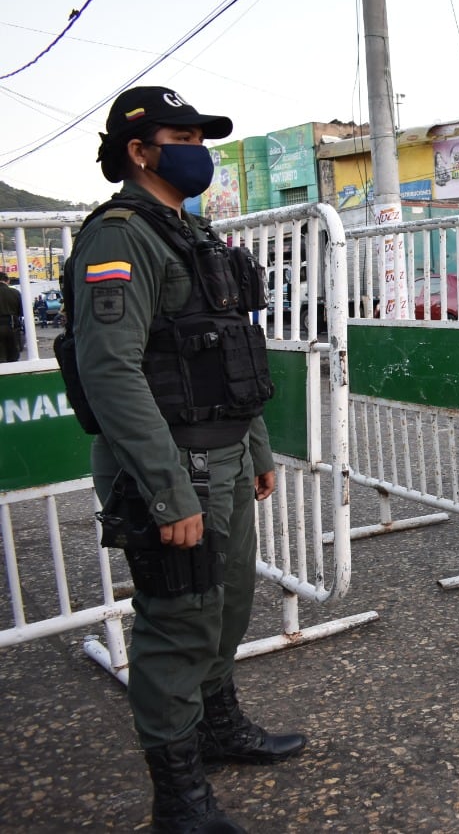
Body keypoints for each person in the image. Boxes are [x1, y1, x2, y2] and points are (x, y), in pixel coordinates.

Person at [66, 86, 304, 832]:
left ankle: (217, 728)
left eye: (201, 138)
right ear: (139, 152)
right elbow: (111, 372)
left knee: (226, 607)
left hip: (224, 455)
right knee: (178, 624)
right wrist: (168, 491)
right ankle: (179, 800)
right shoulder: (119, 237)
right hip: (173, 466)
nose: (198, 151)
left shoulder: (190, 233)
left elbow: (231, 350)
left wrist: (256, 445)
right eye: (182, 138)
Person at [0, 275, 22, 361]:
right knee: (13, 356)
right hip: (12, 325)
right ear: (8, 281)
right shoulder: (15, 292)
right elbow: (22, 311)